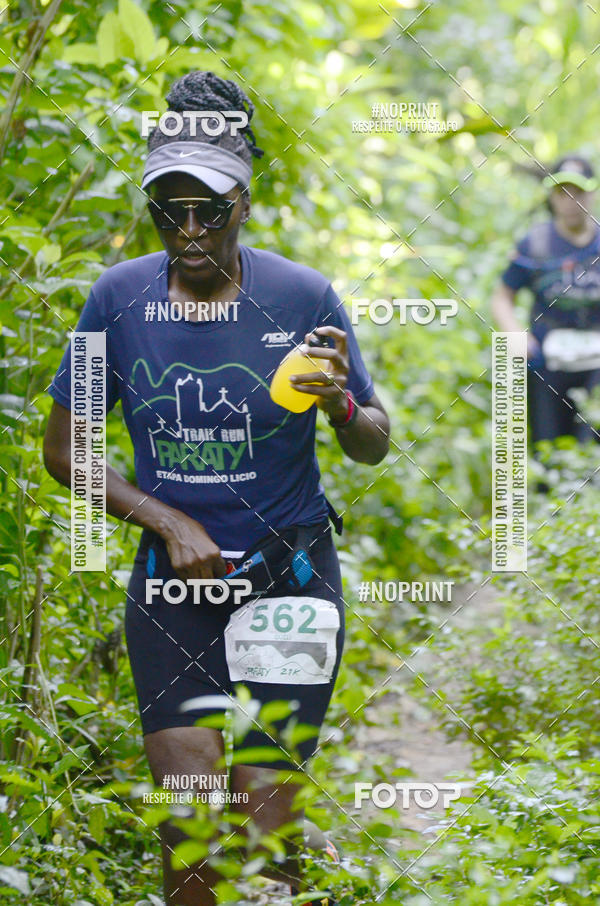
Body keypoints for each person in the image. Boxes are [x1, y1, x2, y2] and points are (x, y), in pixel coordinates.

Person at [42, 70, 390, 906]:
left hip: (288, 576)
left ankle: (286, 870)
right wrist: (167, 522)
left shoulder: (301, 295)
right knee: (190, 817)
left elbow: (372, 444)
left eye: (209, 210)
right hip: (175, 589)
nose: (189, 230)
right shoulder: (117, 299)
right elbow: (65, 450)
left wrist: (341, 403)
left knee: (263, 819)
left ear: (244, 203)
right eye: (170, 211)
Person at [492, 155, 600, 444]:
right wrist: (516, 335)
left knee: (591, 448)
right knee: (548, 446)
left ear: (591, 194)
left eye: (578, 192)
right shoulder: (536, 244)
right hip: (547, 361)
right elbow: (503, 296)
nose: (570, 201)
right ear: (552, 197)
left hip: (596, 364)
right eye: (563, 193)